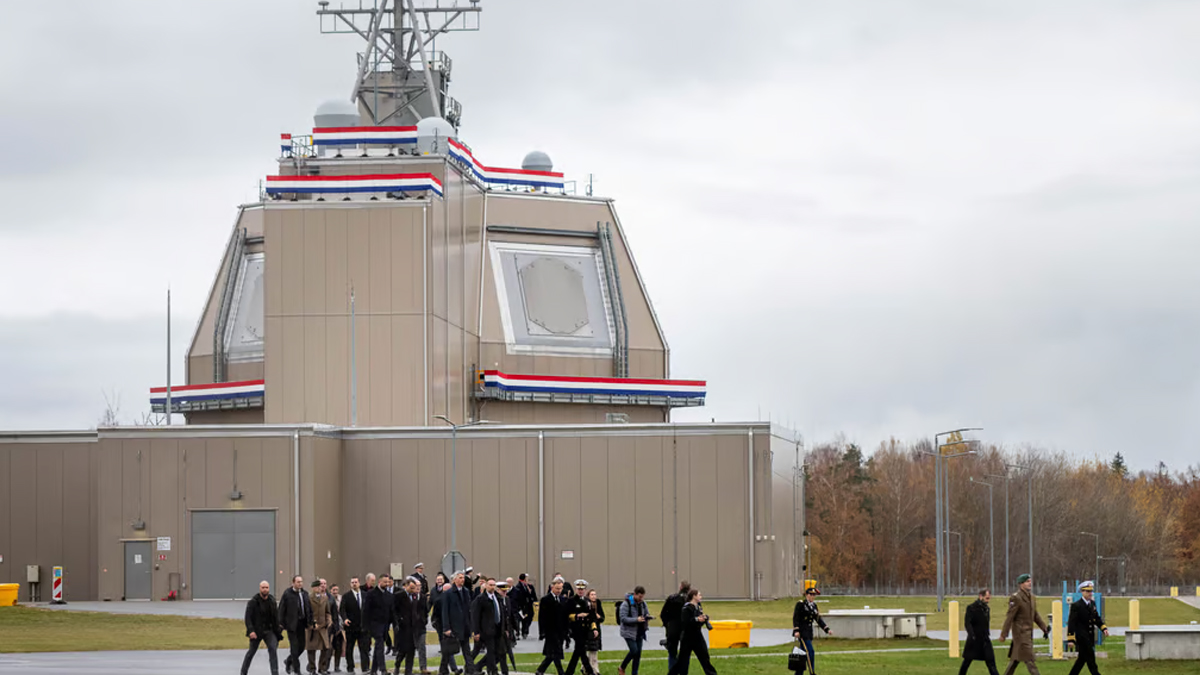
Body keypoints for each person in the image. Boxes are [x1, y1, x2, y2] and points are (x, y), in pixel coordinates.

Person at [1000, 574, 1049, 675]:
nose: (1030, 583)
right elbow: (1010, 617)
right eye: (1027, 581)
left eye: (1030, 581)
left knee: (1015, 660)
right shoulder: (1016, 598)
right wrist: (1003, 634)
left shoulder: (1032, 597)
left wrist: (1044, 628)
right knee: (1030, 660)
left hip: (1028, 634)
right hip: (1020, 635)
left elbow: (1035, 615)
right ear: (1021, 584)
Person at [666, 589, 716, 675]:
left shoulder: (698, 607)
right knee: (682, 661)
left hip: (698, 637)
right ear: (694, 596)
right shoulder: (686, 608)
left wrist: (703, 619)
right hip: (687, 639)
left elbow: (698, 623)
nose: (701, 596)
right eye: (699, 595)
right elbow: (686, 623)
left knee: (705, 658)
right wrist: (697, 619)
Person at [1067, 581, 1108, 675]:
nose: (1090, 593)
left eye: (1091, 591)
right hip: (1082, 638)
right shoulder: (1076, 606)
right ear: (1082, 592)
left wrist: (1103, 628)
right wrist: (1071, 639)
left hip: (1090, 637)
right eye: (1088, 591)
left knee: (1081, 660)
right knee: (1091, 660)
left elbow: (1096, 618)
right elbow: (1071, 623)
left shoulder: (1092, 604)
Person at [243, 580, 282, 675]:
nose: (265, 589)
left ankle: (275, 672)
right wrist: (251, 631)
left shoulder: (272, 601)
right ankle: (243, 672)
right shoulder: (253, 602)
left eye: (266, 588)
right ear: (260, 589)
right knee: (251, 652)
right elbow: (248, 618)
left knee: (273, 649)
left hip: (269, 631)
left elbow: (275, 617)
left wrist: (278, 630)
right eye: (263, 588)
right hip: (256, 631)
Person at [442, 572, 476, 675]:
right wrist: (446, 628)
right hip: (454, 627)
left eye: (463, 578)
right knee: (449, 652)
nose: (462, 579)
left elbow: (468, 609)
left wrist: (471, 625)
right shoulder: (448, 593)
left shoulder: (465, 591)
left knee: (467, 650)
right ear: (454, 580)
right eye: (460, 578)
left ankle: (470, 670)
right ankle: (443, 670)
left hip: (464, 626)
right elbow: (445, 611)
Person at [792, 586, 831, 673]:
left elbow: (818, 619)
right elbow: (796, 618)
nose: (813, 596)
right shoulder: (801, 604)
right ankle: (812, 672)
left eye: (814, 595)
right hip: (802, 633)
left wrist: (826, 629)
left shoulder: (814, 606)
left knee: (802, 655)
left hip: (809, 633)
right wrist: (796, 630)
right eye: (811, 594)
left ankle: (798, 673)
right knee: (810, 652)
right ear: (806, 595)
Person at [960, 589, 999, 675]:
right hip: (974, 639)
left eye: (989, 598)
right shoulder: (971, 608)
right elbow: (967, 623)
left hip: (985, 639)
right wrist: (972, 635)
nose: (988, 600)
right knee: (967, 661)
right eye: (986, 598)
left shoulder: (986, 609)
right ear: (980, 596)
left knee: (991, 662)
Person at [536, 577, 571, 675]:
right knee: (555, 652)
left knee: (553, 654)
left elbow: (565, 616)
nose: (559, 591)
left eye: (560, 588)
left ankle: (540, 670)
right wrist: (542, 631)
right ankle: (561, 672)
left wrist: (567, 630)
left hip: (560, 631)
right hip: (550, 631)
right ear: (552, 588)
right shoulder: (546, 600)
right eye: (557, 588)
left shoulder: (563, 600)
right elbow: (541, 617)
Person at [616, 586, 654, 675]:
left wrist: (648, 617)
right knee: (634, 650)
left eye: (642, 597)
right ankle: (622, 667)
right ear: (635, 594)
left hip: (640, 631)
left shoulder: (643, 603)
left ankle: (635, 673)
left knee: (638, 655)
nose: (641, 599)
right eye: (640, 597)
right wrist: (636, 620)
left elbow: (646, 613)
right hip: (628, 632)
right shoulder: (626, 604)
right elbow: (623, 618)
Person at [280, 575, 313, 675]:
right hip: (292, 625)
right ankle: (296, 670)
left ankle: (289, 660)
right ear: (293, 583)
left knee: (302, 647)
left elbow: (309, 609)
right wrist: (281, 624)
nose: (300, 584)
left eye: (301, 582)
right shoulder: (287, 594)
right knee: (294, 647)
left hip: (302, 624)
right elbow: (281, 609)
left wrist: (310, 621)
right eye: (298, 582)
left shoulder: (305, 594)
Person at [471, 578, 505, 675]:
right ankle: (492, 670)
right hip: (486, 630)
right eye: (490, 585)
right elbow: (475, 616)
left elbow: (501, 613)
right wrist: (476, 631)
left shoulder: (497, 598)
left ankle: (479, 667)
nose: (492, 587)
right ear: (486, 586)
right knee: (490, 651)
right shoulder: (481, 599)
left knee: (498, 651)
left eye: (494, 585)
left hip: (497, 629)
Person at [565, 580, 597, 675]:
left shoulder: (587, 601)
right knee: (580, 649)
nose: (580, 591)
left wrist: (594, 628)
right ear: (576, 589)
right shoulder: (571, 601)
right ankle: (589, 671)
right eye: (579, 589)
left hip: (585, 629)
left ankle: (570, 672)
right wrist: (577, 616)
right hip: (576, 629)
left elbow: (592, 617)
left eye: (582, 589)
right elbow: (567, 615)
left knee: (579, 651)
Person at [366, 574, 395, 675]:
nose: (387, 584)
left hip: (385, 625)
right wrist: (365, 626)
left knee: (378, 647)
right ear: (379, 582)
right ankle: (383, 669)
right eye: (385, 582)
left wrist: (394, 623)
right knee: (380, 645)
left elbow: (391, 612)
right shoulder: (371, 594)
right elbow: (366, 611)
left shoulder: (389, 596)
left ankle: (373, 670)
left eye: (388, 582)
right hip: (374, 624)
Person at [433, 582, 462, 675]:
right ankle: (452, 669)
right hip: (442, 628)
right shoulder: (439, 600)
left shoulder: (453, 600)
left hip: (452, 627)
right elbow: (435, 616)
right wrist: (438, 626)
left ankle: (443, 670)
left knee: (447, 650)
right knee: (447, 649)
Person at [661, 581, 691, 670]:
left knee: (672, 653)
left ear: (680, 587)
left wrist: (667, 625)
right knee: (685, 654)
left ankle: (672, 671)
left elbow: (663, 614)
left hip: (673, 629)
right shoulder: (690, 600)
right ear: (689, 589)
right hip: (685, 630)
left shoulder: (672, 598)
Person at [343, 577, 370, 675]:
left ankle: (365, 667)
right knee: (349, 648)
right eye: (352, 582)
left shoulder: (365, 595)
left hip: (363, 627)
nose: (354, 584)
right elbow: (342, 610)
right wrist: (345, 619)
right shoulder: (346, 596)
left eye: (356, 582)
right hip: (351, 627)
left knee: (364, 648)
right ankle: (350, 667)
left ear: (359, 583)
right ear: (350, 584)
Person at [307, 579, 334, 675]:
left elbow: (328, 612)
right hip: (312, 627)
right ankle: (312, 668)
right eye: (317, 587)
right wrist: (311, 624)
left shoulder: (324, 598)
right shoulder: (309, 598)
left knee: (326, 647)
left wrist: (329, 620)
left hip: (323, 627)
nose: (319, 588)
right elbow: (307, 613)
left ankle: (322, 668)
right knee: (311, 649)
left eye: (320, 587)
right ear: (313, 588)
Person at [496, 580, 517, 674]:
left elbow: (510, 615)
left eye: (505, 591)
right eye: (502, 591)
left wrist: (515, 628)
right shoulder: (496, 600)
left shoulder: (507, 600)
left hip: (507, 631)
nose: (504, 593)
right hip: (498, 631)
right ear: (497, 590)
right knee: (501, 652)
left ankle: (478, 666)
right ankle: (504, 671)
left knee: (501, 652)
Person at [582, 589, 604, 675]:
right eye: (592, 594)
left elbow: (602, 618)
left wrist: (599, 617)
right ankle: (593, 670)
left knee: (594, 650)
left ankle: (588, 668)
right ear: (588, 596)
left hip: (597, 629)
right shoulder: (586, 604)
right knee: (590, 651)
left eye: (595, 594)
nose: (594, 596)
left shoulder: (598, 604)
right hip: (588, 630)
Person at [515, 574, 537, 639]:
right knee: (524, 618)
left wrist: (530, 593)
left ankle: (525, 628)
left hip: (529, 605)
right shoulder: (518, 586)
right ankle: (524, 631)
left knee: (530, 616)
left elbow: (533, 595)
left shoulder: (530, 586)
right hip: (523, 605)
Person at [330, 583, 345, 674]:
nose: (335, 592)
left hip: (340, 626)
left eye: (336, 590)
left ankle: (337, 666)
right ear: (331, 590)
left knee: (339, 647)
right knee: (329, 647)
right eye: (333, 590)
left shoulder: (341, 599)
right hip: (331, 625)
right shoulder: (328, 599)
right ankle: (325, 666)